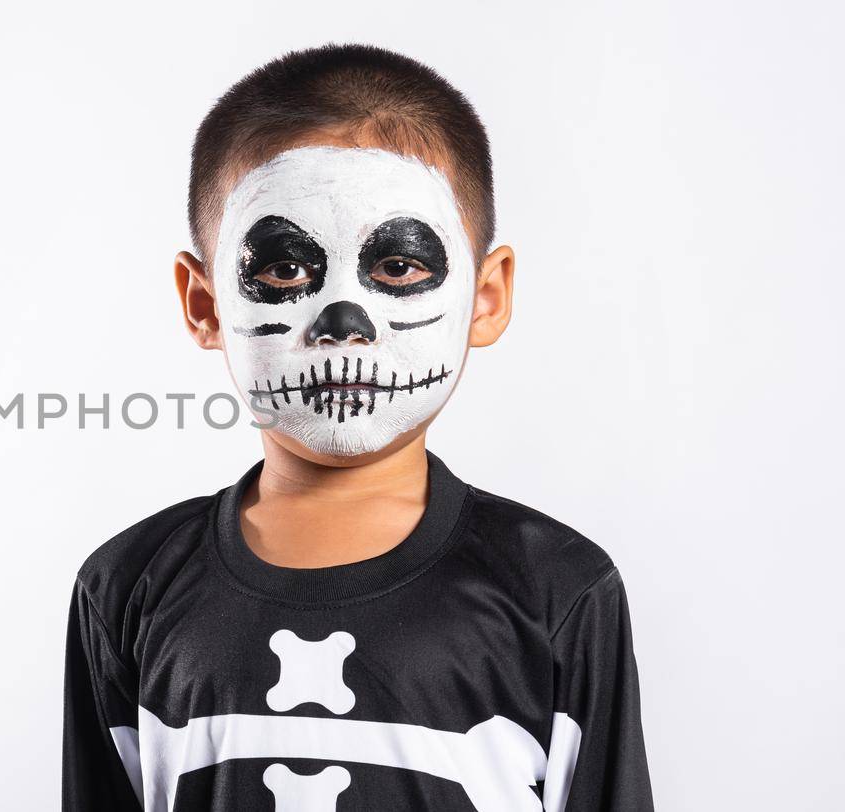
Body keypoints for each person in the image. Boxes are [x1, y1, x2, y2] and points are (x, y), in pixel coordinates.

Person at [63, 44, 652, 811]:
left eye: (399, 268)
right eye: (282, 270)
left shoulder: (559, 592)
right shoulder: (126, 590)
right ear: (205, 303)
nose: (345, 325)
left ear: (486, 295)